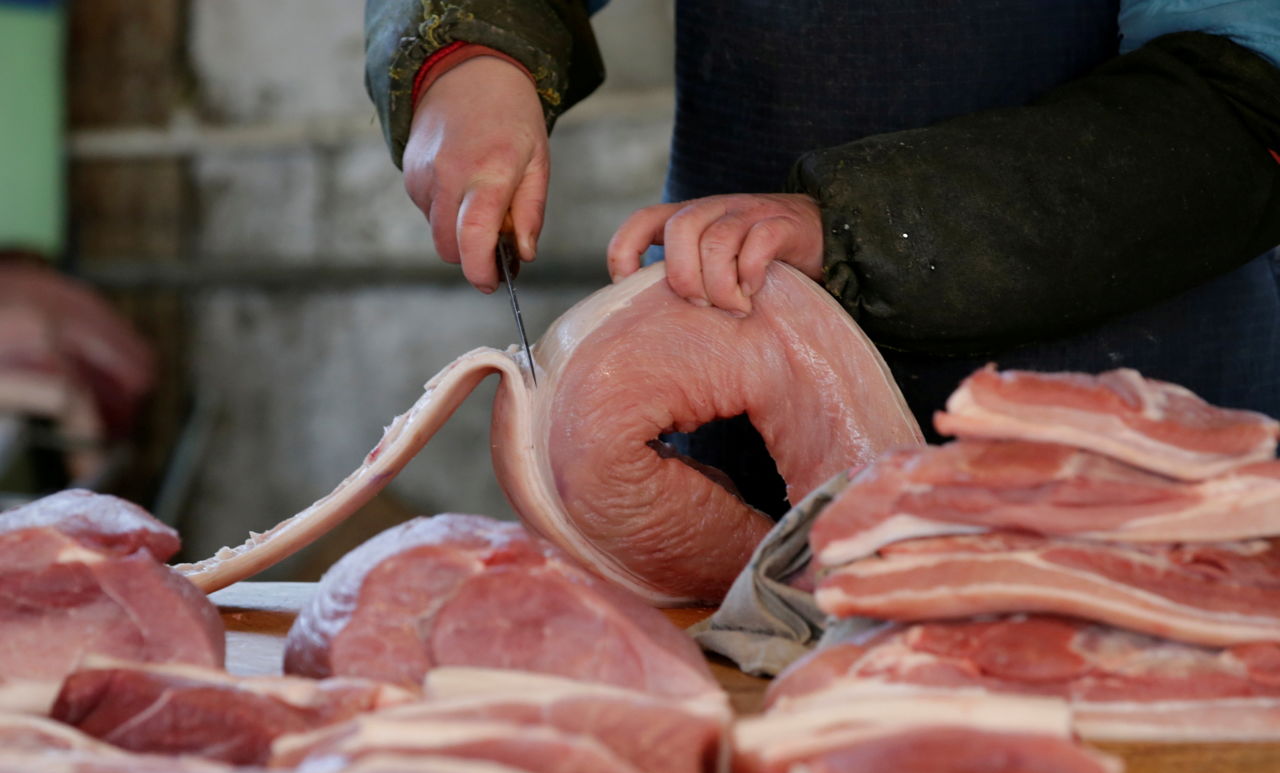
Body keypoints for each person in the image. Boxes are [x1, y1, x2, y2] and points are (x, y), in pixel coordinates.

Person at [363, 1, 1280, 515]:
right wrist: (467, 50)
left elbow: (1247, 103)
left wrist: (853, 228)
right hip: (737, 449)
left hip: (1123, 467)